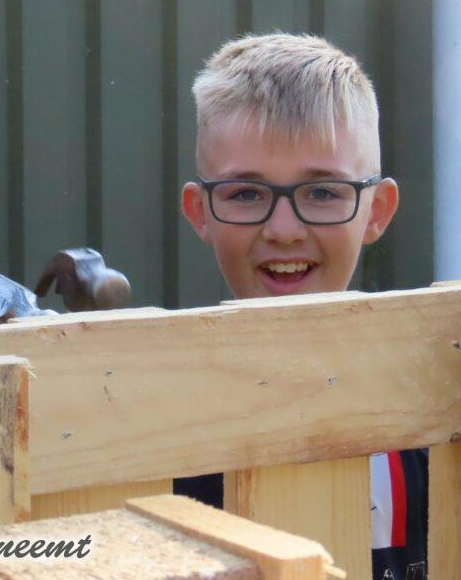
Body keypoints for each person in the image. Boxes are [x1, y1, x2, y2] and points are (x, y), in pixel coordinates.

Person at [179, 33, 424, 580]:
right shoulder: (156, 429)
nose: (284, 230)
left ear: (377, 210)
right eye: (246, 193)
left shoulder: (433, 409)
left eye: (323, 192)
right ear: (200, 212)